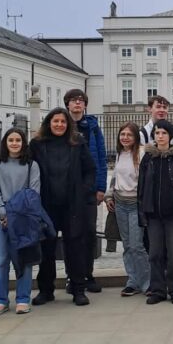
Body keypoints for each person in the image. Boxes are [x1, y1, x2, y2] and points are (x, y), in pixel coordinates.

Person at [30, 108, 97, 306]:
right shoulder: (37, 144)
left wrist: (83, 191)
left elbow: (90, 170)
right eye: (55, 121)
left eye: (63, 121)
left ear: (68, 124)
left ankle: (78, 289)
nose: (59, 125)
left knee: (75, 247)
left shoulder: (77, 143)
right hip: (47, 205)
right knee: (46, 249)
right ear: (48, 123)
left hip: (72, 205)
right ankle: (46, 290)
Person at [0, 127, 41, 314]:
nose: (15, 143)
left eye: (18, 140)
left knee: (23, 258)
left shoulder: (31, 165)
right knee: (0, 259)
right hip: (0, 216)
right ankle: (1, 299)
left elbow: (33, 191)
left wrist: (16, 213)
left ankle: (23, 298)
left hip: (22, 216)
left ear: (23, 143)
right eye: (11, 140)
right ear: (5, 143)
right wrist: (3, 213)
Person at [138, 120, 173, 304]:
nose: (160, 136)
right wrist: (142, 211)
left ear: (170, 136)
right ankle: (158, 290)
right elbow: (142, 186)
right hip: (153, 214)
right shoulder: (148, 158)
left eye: (164, 133)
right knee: (155, 254)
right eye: (157, 133)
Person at [65, 89, 107, 293]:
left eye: (81, 101)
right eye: (74, 101)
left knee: (89, 233)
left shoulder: (92, 127)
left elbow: (100, 157)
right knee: (71, 234)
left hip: (89, 188)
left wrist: (101, 187)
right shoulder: (61, 124)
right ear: (67, 104)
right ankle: (71, 276)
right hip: (66, 190)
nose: (78, 104)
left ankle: (88, 274)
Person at [105, 122, 149, 297]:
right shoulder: (119, 154)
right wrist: (109, 195)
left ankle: (147, 282)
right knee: (127, 246)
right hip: (120, 203)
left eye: (129, 135)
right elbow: (115, 177)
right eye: (122, 134)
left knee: (138, 245)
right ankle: (132, 280)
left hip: (136, 204)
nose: (125, 137)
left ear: (136, 137)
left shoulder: (142, 153)